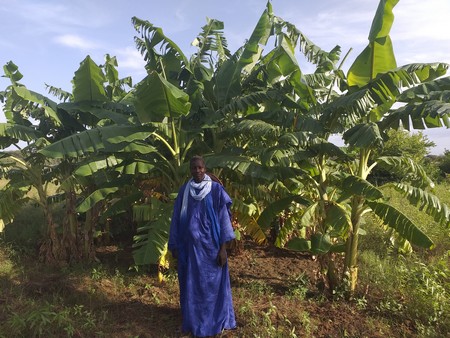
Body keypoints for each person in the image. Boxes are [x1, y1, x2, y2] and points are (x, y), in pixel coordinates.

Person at [168, 155, 237, 337]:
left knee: (212, 286)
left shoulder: (215, 190)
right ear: (190, 170)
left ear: (204, 168)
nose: (197, 171)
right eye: (193, 168)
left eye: (200, 168)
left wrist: (223, 248)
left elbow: (224, 220)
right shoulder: (184, 192)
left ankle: (215, 322)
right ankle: (193, 321)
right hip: (190, 250)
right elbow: (176, 219)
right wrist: (174, 244)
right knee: (191, 286)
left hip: (211, 249)